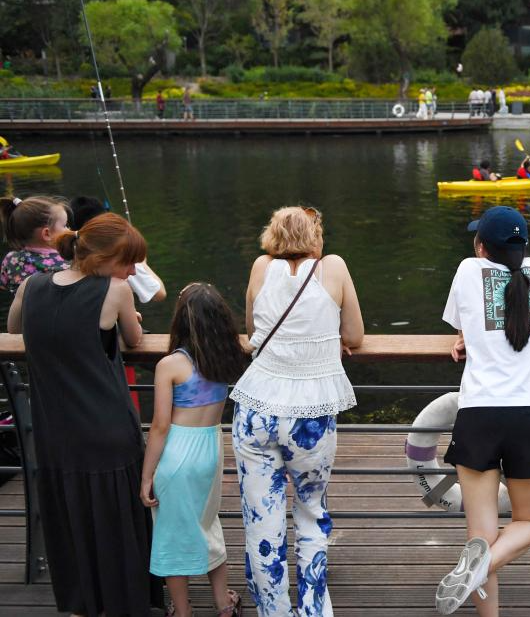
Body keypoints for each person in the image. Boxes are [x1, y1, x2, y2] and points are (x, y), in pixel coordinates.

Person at [8, 213, 162, 616]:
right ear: (102, 259)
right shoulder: (114, 290)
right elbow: (134, 338)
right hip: (107, 425)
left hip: (54, 431)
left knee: (71, 515)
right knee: (115, 521)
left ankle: (82, 602)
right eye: (127, 262)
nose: (131, 271)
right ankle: (125, 600)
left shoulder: (30, 285)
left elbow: (15, 327)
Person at [231, 206, 364, 616]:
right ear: (315, 236)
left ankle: (273, 612)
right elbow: (355, 336)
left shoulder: (260, 267)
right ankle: (312, 611)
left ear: (272, 237)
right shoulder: (334, 267)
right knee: (310, 512)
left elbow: (253, 331)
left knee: (262, 521)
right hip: (310, 413)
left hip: (256, 409)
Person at [436, 206, 530, 615]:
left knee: (481, 536)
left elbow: (467, 319)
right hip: (529, 414)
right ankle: (479, 566)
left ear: (481, 246)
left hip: (479, 414)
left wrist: (465, 338)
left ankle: (478, 565)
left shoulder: (468, 269)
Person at [141, 283, 249, 617]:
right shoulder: (230, 354)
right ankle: (222, 605)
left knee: (173, 531)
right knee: (207, 522)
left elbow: (159, 426)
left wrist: (146, 476)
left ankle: (183, 611)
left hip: (178, 451)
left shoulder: (171, 365)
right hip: (211, 447)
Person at [69, 196, 167, 303]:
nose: (132, 271)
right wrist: (143, 264)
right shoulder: (120, 257)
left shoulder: (61, 256)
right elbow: (159, 294)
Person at [0, 196, 70, 293]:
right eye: (64, 225)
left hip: (24, 308)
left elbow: (3, 286)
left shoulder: (11, 259)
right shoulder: (67, 261)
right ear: (47, 234)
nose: (69, 230)